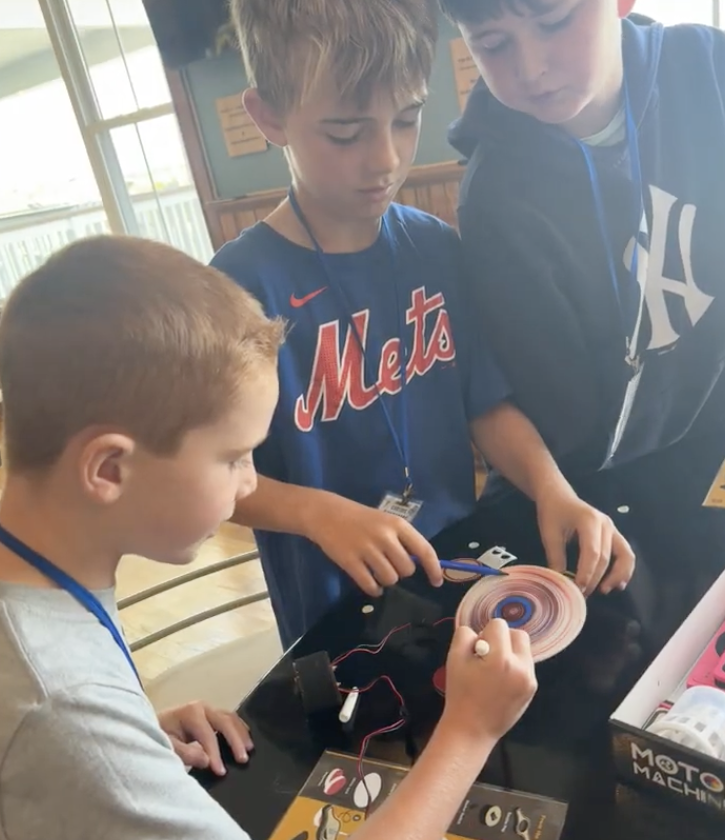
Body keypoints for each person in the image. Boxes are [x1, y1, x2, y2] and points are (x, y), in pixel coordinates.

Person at [0, 235, 538, 840]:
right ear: (108, 470)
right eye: (235, 457)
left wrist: (135, 739)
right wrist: (469, 729)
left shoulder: (35, 602)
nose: (252, 481)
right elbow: (57, 723)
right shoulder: (64, 711)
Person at [212, 0, 635, 650]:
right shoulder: (237, 288)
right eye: (346, 132)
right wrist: (314, 511)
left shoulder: (434, 248)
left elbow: (484, 403)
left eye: (406, 120)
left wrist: (553, 489)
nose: (384, 159)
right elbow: (208, 476)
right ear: (268, 117)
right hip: (336, 613)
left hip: (460, 571)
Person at [434, 0, 725, 574]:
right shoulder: (496, 196)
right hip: (593, 488)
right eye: (493, 44)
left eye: (555, 21)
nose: (533, 68)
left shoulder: (712, 70)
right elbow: (557, 416)